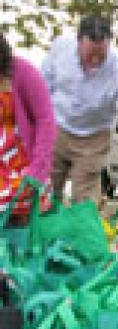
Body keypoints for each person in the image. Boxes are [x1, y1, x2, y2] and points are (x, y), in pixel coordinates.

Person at [42, 14, 118, 204]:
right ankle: (45, 230)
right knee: (44, 192)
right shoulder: (60, 49)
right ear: (79, 41)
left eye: (101, 55)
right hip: (56, 128)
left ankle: (82, 230)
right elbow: (42, 89)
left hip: (93, 138)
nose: (95, 60)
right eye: (90, 54)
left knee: (85, 201)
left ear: (109, 44)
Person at [0, 31, 56, 220]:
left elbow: (45, 121)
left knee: (19, 204)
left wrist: (38, 170)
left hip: (23, 166)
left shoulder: (24, 72)